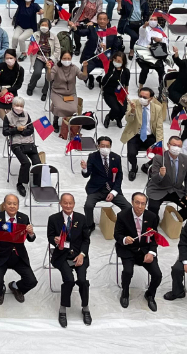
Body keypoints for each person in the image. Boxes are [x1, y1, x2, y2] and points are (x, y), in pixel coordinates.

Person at [47, 192, 92, 326]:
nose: (68, 206)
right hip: (62, 255)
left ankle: (85, 307)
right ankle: (63, 308)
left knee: (82, 280)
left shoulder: (81, 218)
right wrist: (55, 241)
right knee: (69, 280)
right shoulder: (53, 219)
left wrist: (82, 254)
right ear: (60, 203)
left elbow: (86, 240)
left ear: (74, 204)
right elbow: (50, 236)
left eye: (70, 203)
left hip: (79, 255)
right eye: (65, 203)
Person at [114, 191, 163, 310]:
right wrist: (125, 239)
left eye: (143, 204)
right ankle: (125, 292)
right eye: (137, 203)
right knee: (128, 272)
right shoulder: (122, 215)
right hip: (128, 249)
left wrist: (151, 252)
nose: (140, 206)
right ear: (132, 202)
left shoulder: (152, 217)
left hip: (145, 250)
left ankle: (150, 294)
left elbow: (154, 237)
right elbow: (117, 234)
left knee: (157, 275)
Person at [146, 135, 187, 220]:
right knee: (152, 210)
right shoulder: (159, 158)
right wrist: (160, 175)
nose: (176, 148)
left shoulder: (186, 159)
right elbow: (154, 178)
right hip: (158, 189)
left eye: (179, 146)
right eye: (174, 145)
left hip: (176, 190)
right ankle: (155, 221)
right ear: (168, 145)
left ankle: (172, 220)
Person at [122, 86, 166, 180]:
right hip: (135, 135)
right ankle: (134, 167)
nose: (141, 99)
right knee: (131, 154)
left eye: (144, 97)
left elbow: (159, 127)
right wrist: (132, 110)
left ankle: (147, 166)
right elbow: (128, 119)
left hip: (149, 136)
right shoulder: (133, 103)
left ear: (151, 98)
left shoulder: (157, 108)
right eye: (140, 96)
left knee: (161, 153)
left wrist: (160, 142)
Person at [81, 135, 129, 219]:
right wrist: (85, 169)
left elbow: (119, 176)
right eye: (103, 146)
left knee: (128, 207)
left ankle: (122, 223)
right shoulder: (93, 157)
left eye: (107, 146)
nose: (105, 148)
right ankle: (89, 224)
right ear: (98, 146)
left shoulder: (116, 158)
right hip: (96, 190)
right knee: (88, 206)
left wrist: (113, 192)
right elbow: (86, 174)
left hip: (112, 189)